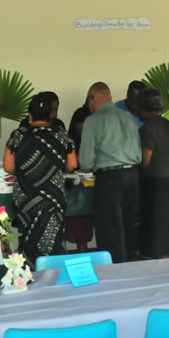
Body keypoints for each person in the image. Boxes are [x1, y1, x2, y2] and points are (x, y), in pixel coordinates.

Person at [6, 94, 78, 266]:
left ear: (30, 116)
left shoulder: (18, 135)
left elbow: (8, 167)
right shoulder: (61, 135)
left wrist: (27, 171)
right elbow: (72, 165)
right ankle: (56, 273)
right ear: (50, 116)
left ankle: (28, 274)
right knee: (54, 240)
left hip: (26, 198)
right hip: (52, 199)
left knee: (28, 238)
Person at [78, 82, 142, 263]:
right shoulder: (129, 118)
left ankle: (114, 274)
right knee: (129, 227)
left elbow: (85, 162)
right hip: (132, 176)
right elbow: (138, 154)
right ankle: (130, 268)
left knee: (110, 230)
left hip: (109, 179)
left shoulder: (92, 121)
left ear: (93, 98)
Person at [137, 88, 169, 258]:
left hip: (155, 182)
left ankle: (158, 263)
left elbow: (145, 161)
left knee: (155, 226)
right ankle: (167, 259)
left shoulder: (148, 128)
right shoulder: (167, 124)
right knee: (167, 224)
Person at [65, 98, 95, 252]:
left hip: (94, 173)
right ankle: (79, 247)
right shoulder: (81, 113)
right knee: (78, 211)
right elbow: (85, 138)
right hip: (76, 173)